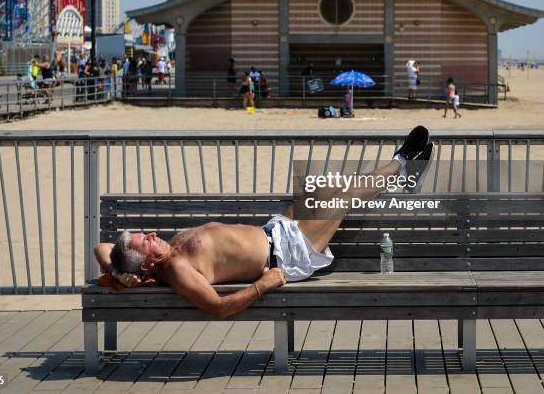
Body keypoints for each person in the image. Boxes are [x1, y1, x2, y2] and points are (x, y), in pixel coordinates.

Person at [94, 126, 434, 319]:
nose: (152, 235)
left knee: (330, 186)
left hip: (275, 230)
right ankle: (403, 161)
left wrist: (124, 273)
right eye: (146, 241)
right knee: (345, 195)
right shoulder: (179, 271)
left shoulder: (159, 256)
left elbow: (103, 248)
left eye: (146, 234)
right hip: (285, 256)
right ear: (150, 261)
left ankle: (405, 171)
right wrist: (265, 284)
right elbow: (218, 309)